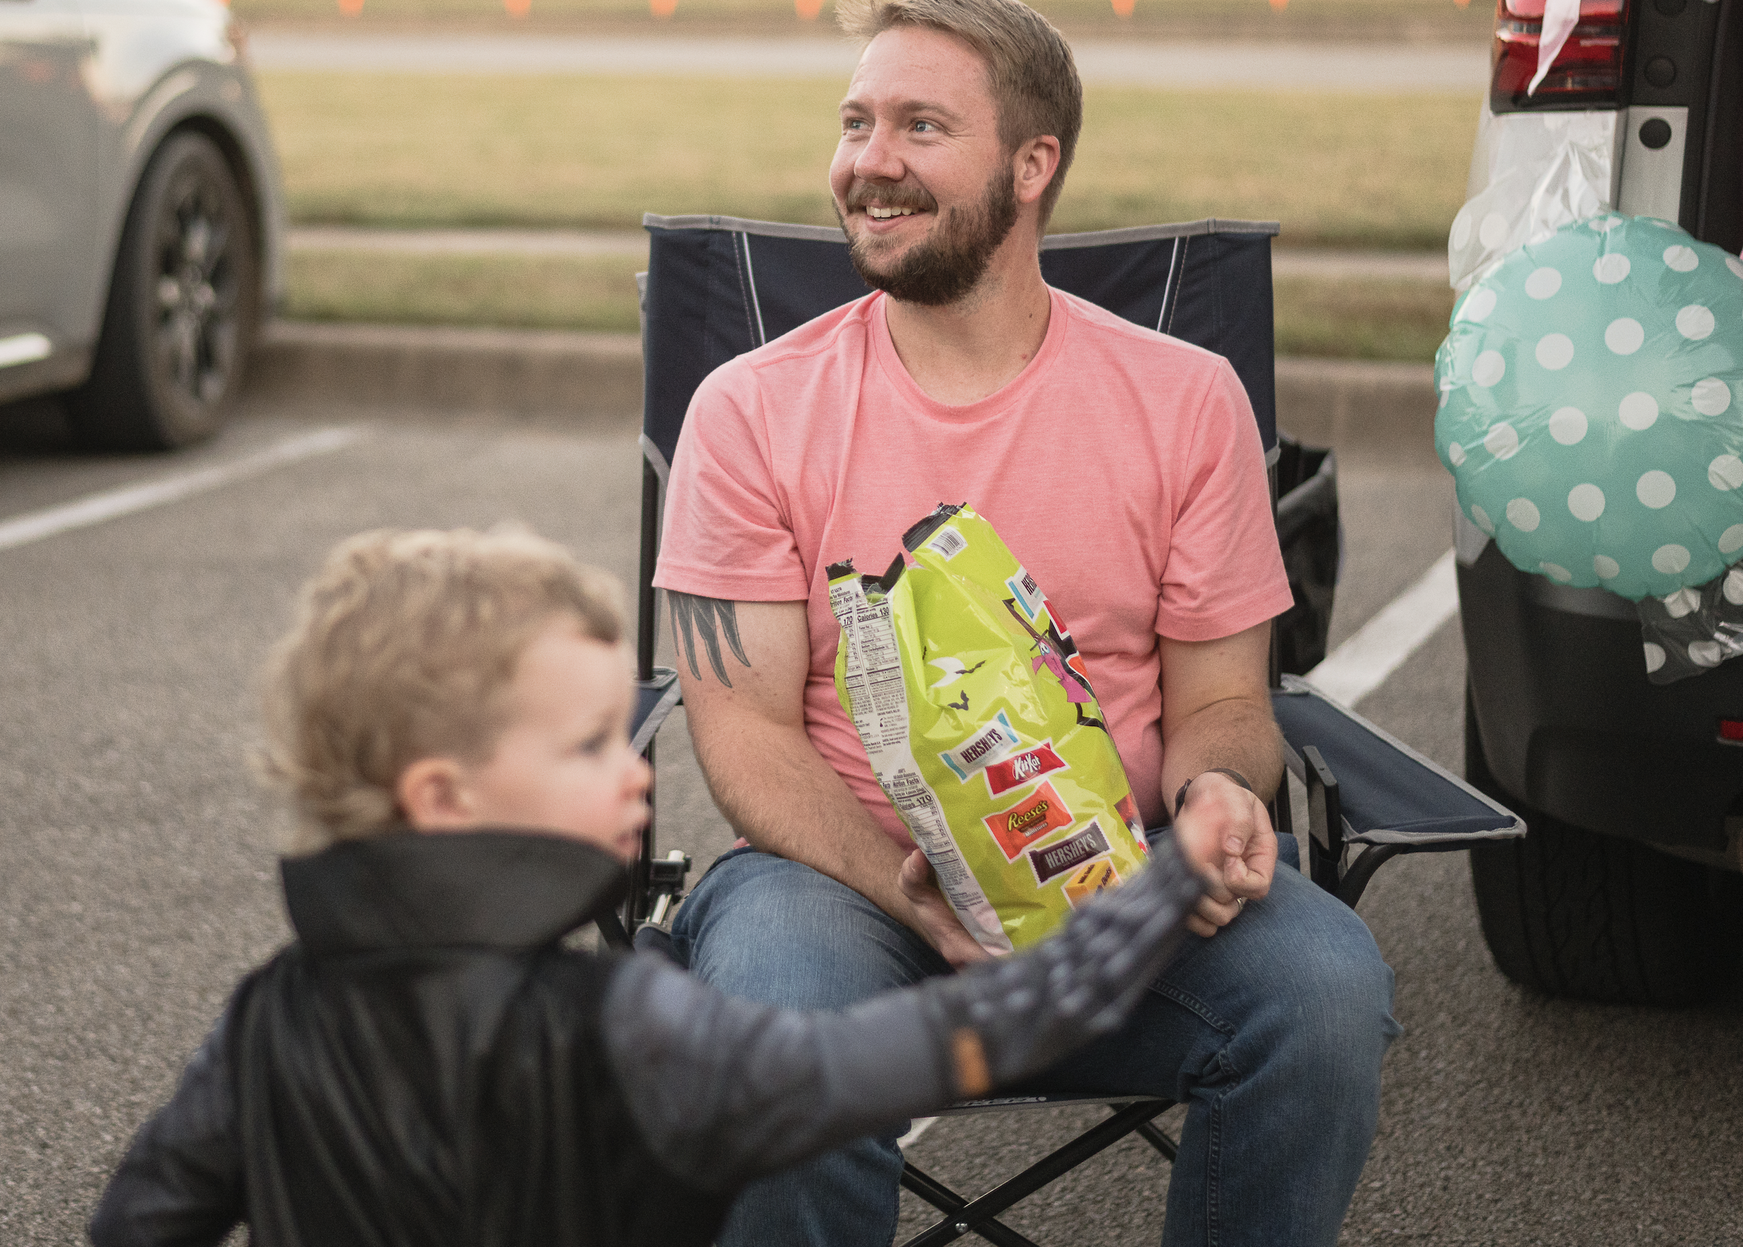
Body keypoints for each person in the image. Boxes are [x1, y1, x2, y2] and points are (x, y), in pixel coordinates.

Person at [652, 0, 1398, 1247]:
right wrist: (913, 895)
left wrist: (1219, 796)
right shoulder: (751, 409)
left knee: (1321, 992)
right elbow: (744, 731)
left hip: (1120, 878)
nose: (868, 162)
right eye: (855, 121)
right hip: (839, 882)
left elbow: (1223, 699)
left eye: (920, 126)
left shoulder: (1184, 398)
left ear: (1032, 163)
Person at [89, 526, 1240, 1247]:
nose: (637, 768)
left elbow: (141, 1217)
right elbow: (961, 1038)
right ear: (442, 794)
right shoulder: (626, 1026)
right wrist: (1155, 891)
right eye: (589, 744)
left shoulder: (269, 1014)